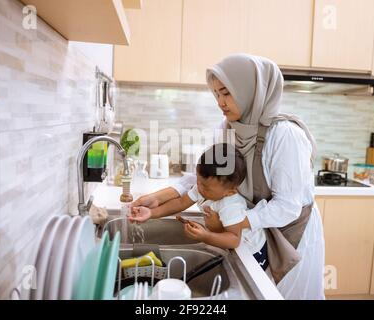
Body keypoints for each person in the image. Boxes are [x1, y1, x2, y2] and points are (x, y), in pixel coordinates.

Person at [131, 54, 325, 300]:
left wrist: (233, 224)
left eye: (226, 93)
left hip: (292, 234)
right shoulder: (226, 129)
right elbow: (204, 180)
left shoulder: (285, 136)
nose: (220, 102)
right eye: (216, 94)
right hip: (255, 233)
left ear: (250, 90)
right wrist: (156, 200)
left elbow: (287, 207)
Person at [130, 143, 267, 267]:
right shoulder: (203, 188)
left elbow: (234, 240)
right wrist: (151, 213)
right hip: (230, 245)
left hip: (251, 252)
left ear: (229, 191)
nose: (199, 188)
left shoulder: (231, 205)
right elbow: (180, 203)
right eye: (198, 181)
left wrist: (205, 236)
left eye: (206, 187)